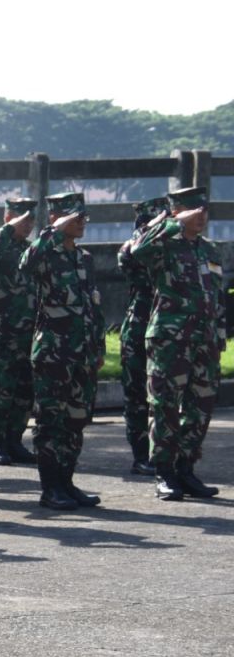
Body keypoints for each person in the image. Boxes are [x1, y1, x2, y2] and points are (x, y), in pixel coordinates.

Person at [128, 186, 226, 500]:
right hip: (171, 339)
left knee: (200, 409)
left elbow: (216, 296)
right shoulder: (164, 246)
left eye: (204, 212)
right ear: (179, 213)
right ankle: (165, 473)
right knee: (166, 407)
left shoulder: (209, 250)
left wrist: (219, 335)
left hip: (204, 340)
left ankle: (186, 469)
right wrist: (170, 222)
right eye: (194, 212)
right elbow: (136, 250)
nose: (201, 218)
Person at [19, 192, 105, 510]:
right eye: (75, 218)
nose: (82, 223)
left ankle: (67, 482)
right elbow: (25, 263)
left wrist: (98, 349)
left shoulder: (84, 259)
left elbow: (93, 308)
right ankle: (50, 487)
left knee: (76, 420)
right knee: (51, 421)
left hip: (82, 353)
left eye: (83, 218)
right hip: (53, 353)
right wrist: (55, 229)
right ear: (58, 219)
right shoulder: (44, 254)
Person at [0, 198, 38, 466]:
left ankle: (14, 440)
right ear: (8, 218)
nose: (27, 226)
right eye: (22, 220)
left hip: (29, 331)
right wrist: (7, 231)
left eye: (31, 221)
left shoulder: (30, 250)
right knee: (1, 389)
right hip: (3, 331)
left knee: (24, 391)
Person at [117, 196, 169, 477]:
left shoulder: (169, 248)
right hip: (139, 327)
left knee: (162, 396)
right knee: (137, 394)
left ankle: (162, 454)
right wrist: (151, 228)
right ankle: (141, 455)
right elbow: (129, 256)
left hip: (165, 328)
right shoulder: (133, 247)